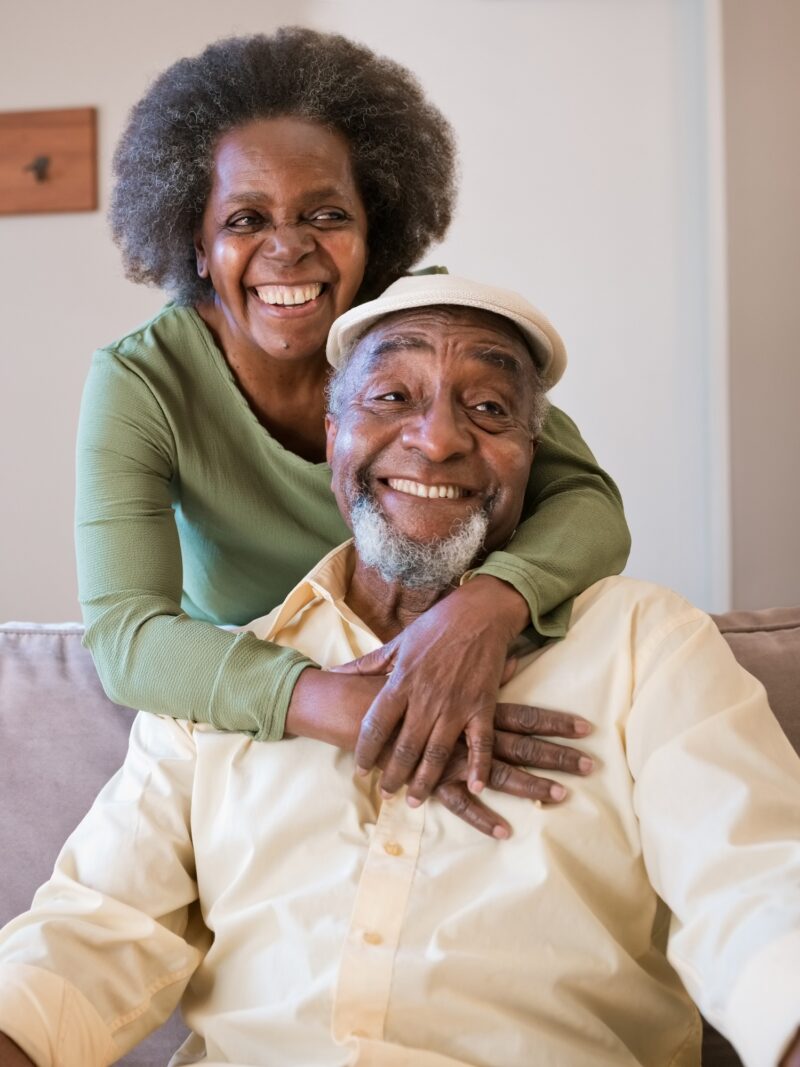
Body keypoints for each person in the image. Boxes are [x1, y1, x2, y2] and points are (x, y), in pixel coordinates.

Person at [2, 275, 798, 1067]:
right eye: (390, 397)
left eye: (489, 408)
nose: (439, 439)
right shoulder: (214, 684)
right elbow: (90, 932)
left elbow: (758, 888)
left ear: (533, 455)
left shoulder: (642, 645)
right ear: (331, 434)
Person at [77, 27, 631, 806]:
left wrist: (484, 609)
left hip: (442, 662)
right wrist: (334, 700)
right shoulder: (143, 380)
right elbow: (126, 638)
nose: (288, 249)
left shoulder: (427, 326)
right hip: (255, 712)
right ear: (195, 244)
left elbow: (590, 504)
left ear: (375, 235)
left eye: (326, 215)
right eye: (244, 221)